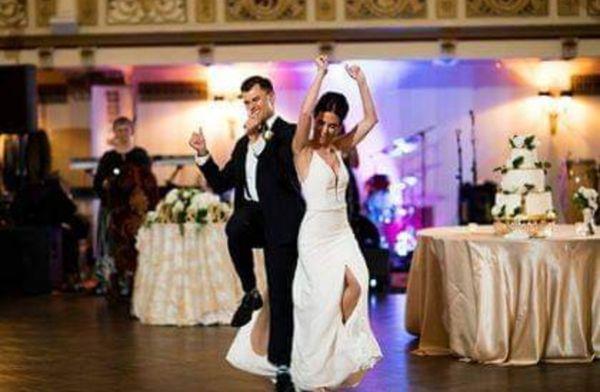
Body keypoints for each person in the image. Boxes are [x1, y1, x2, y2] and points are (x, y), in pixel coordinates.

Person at [188, 76, 304, 392]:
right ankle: (250, 291)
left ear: (270, 98)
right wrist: (203, 155)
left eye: (256, 100)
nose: (251, 107)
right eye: (247, 102)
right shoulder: (242, 145)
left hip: (282, 224)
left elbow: (287, 173)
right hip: (252, 219)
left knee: (281, 297)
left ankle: (282, 367)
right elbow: (223, 182)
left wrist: (260, 141)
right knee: (235, 226)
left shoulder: (288, 133)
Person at [93, 116, 154, 299]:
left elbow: (147, 180)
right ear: (114, 133)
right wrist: (108, 195)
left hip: (135, 211)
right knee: (110, 245)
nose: (122, 134)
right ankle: (109, 281)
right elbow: (98, 183)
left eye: (125, 130)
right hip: (113, 209)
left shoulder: (140, 155)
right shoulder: (108, 157)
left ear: (131, 131)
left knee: (135, 246)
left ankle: (135, 281)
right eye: (118, 130)